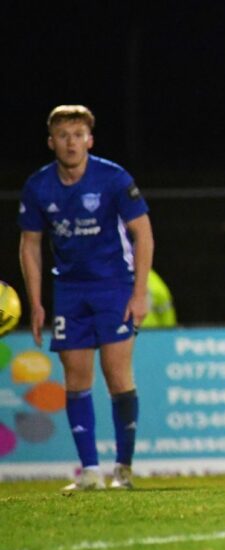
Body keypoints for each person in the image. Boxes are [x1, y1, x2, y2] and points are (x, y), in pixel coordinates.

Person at [18, 105, 153, 490]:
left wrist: (139, 293)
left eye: (78, 134)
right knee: (76, 378)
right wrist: (37, 302)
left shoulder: (113, 178)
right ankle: (90, 472)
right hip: (69, 290)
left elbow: (143, 233)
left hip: (113, 285)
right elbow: (30, 244)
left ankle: (122, 469)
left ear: (90, 140)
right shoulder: (38, 186)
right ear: (51, 142)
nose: (71, 142)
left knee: (116, 373)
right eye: (63, 135)